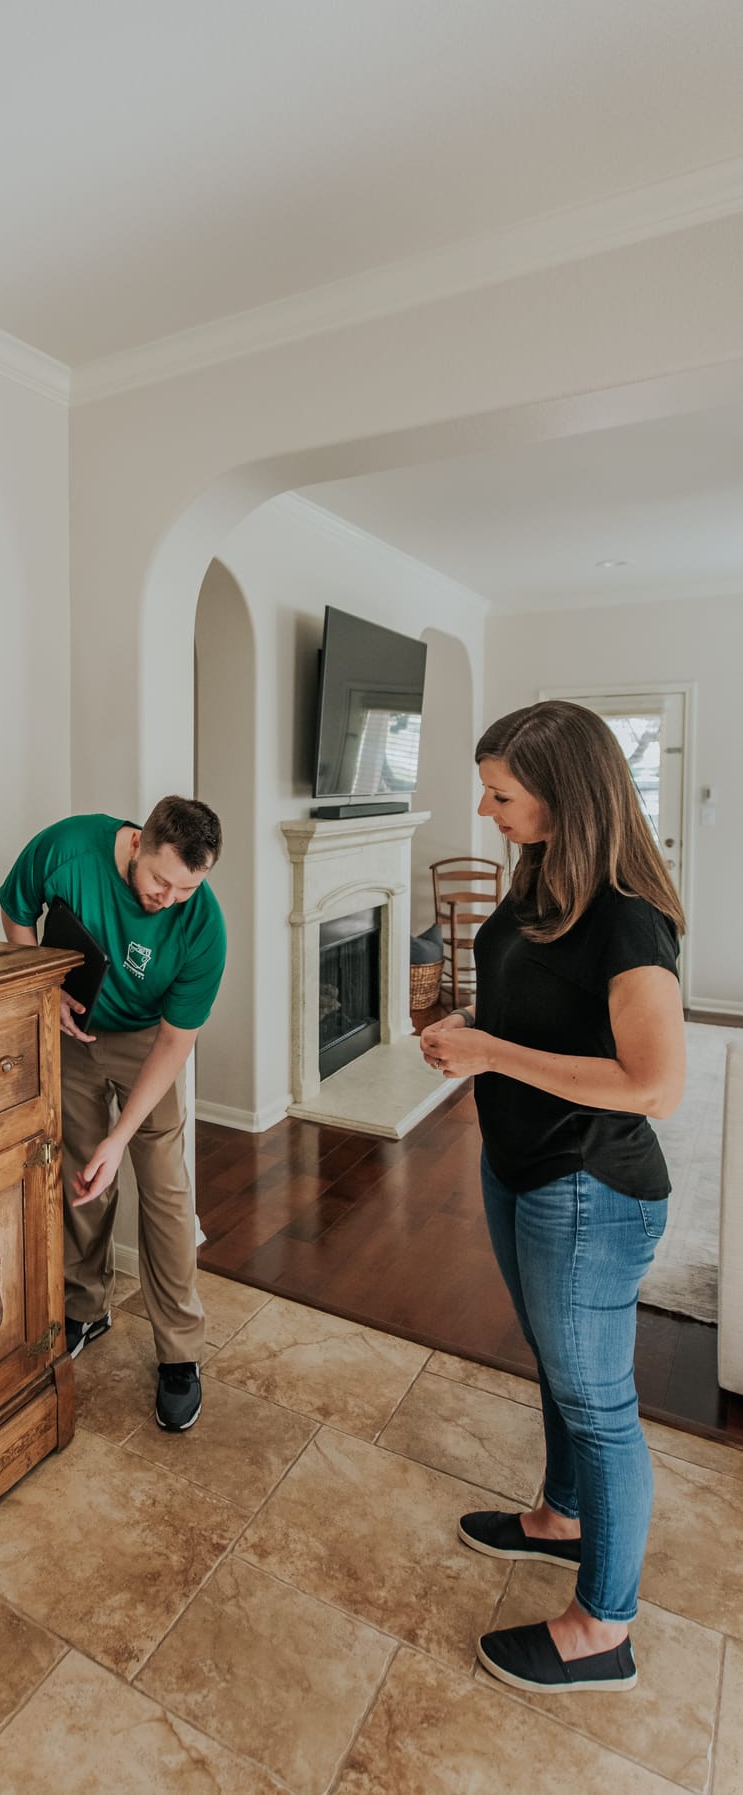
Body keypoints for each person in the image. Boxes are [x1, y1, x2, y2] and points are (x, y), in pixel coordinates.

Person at [420, 700, 686, 1695]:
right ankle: (558, 1517)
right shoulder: (541, 884)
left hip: (588, 1189)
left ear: (562, 798)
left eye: (501, 794)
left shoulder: (625, 914)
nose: (485, 810)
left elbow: (654, 1086)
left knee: (600, 1403)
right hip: (521, 1162)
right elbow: (541, 1008)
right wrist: (469, 1027)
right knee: (555, 1363)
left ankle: (601, 1628)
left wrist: (486, 1050)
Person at [0, 797, 225, 1432]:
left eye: (186, 888)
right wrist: (43, 991)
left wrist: (121, 1138)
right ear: (136, 845)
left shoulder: (202, 926)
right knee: (79, 1172)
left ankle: (180, 1354)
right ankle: (85, 1306)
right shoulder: (67, 847)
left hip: (146, 1043)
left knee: (166, 1191)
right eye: (161, 881)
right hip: (70, 1030)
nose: (168, 899)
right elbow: (16, 911)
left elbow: (177, 1042)